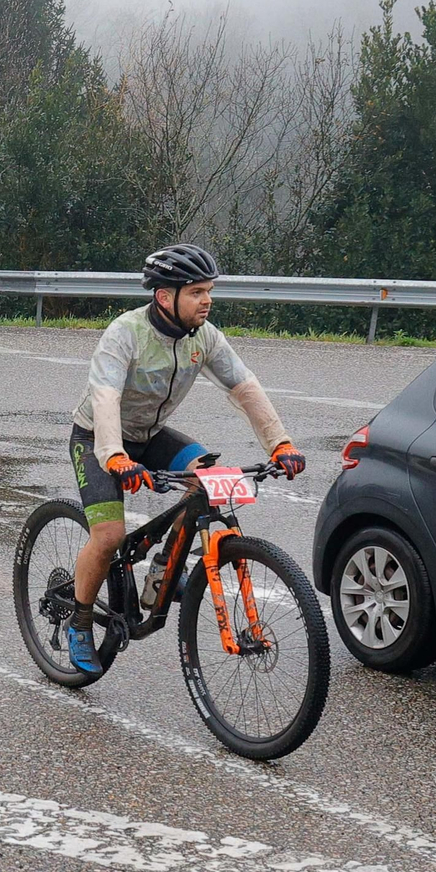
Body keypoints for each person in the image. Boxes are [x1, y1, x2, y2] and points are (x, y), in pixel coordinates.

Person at [64, 243, 307, 673]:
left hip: (151, 435)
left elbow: (245, 388)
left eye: (209, 291)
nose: (207, 300)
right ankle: (80, 623)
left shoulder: (205, 336)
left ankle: (162, 571)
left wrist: (280, 444)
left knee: (206, 479)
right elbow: (105, 397)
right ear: (164, 296)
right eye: (196, 292)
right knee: (108, 536)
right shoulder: (125, 333)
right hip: (97, 437)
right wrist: (115, 456)